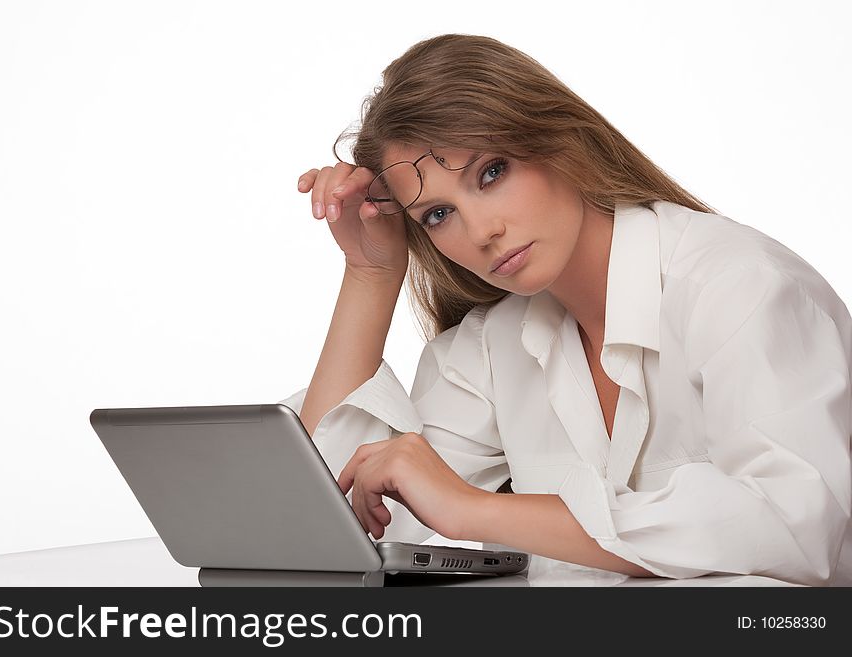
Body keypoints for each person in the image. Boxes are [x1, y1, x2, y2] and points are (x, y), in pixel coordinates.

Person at [282, 33, 852, 586]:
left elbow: (797, 529)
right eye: (437, 215)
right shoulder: (489, 348)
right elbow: (319, 530)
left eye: (492, 172)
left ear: (559, 139)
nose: (482, 231)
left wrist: (474, 510)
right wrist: (371, 274)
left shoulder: (738, 287)